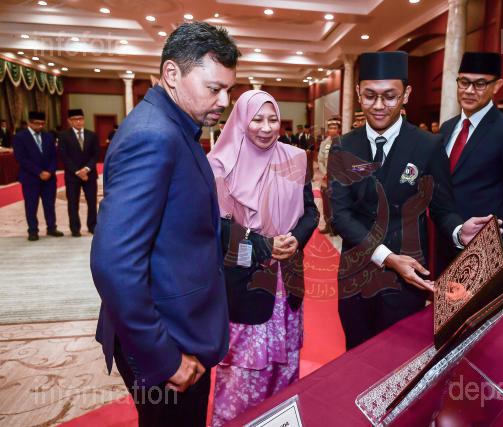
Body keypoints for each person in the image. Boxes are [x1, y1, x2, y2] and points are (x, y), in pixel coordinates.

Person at [90, 22, 240, 427]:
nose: (224, 101)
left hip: (181, 323)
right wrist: (164, 357)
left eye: (228, 89)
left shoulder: (176, 125)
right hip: (166, 339)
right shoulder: (153, 135)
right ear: (172, 74)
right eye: (214, 88)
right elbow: (114, 264)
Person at [327, 51, 494, 350]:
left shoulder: (428, 144)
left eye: (390, 96)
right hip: (356, 275)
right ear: (358, 93)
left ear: (406, 94)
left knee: (401, 359)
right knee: (356, 357)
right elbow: (340, 215)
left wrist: (458, 231)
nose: (379, 106)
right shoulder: (343, 146)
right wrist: (387, 257)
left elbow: (442, 207)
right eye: (370, 96)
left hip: (407, 279)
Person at [208, 90, 318, 425]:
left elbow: (310, 212)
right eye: (257, 119)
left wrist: (294, 239)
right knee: (242, 377)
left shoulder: (295, 159)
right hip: (245, 285)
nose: (266, 127)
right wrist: (265, 245)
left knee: (286, 371)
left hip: (288, 286)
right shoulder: (220, 164)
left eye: (273, 119)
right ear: (241, 120)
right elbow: (216, 227)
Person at [439, 52, 503, 263]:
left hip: (484, 248)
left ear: (497, 86)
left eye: (480, 84)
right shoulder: (447, 128)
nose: (469, 90)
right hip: (444, 239)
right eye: (464, 82)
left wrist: (495, 234)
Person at [12, 111, 63, 241]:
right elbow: (21, 159)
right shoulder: (20, 137)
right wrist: (39, 172)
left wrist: (50, 171)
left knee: (49, 205)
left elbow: (54, 157)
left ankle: (51, 228)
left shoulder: (49, 136)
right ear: (29, 122)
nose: (40, 126)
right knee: (31, 205)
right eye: (37, 123)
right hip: (30, 178)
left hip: (49, 178)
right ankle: (33, 230)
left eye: (42, 123)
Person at [58, 109, 100, 236]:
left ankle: (92, 226)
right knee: (73, 203)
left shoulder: (92, 135)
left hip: (89, 175)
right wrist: (77, 171)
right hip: (72, 175)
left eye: (80, 119)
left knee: (92, 202)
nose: (78, 122)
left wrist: (86, 169)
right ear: (69, 121)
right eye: (75, 119)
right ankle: (75, 228)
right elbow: (64, 156)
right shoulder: (63, 136)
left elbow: (96, 154)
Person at [317, 117, 341, 234]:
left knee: (337, 204)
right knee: (326, 203)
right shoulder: (324, 143)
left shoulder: (343, 142)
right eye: (330, 128)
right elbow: (320, 160)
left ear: (338, 129)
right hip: (326, 178)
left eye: (334, 128)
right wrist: (325, 172)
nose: (332, 130)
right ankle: (328, 225)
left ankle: (337, 227)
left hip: (338, 179)